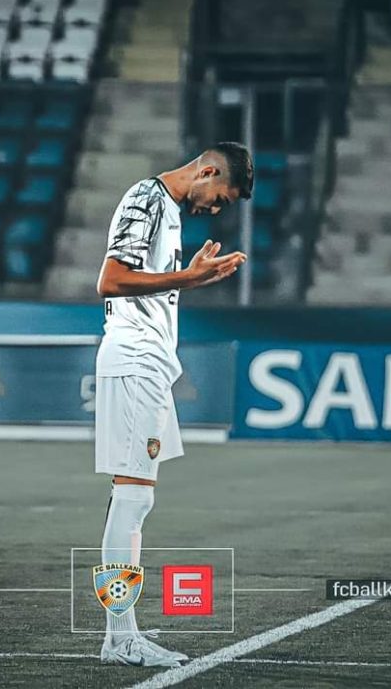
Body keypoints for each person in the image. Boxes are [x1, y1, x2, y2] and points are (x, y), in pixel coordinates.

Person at [94, 142, 254, 667]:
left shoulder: (166, 210)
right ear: (207, 171)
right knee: (132, 498)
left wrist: (189, 277)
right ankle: (121, 638)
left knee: (134, 498)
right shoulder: (147, 197)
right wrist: (189, 277)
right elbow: (110, 281)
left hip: (150, 363)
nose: (216, 209)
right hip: (134, 358)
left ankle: (120, 636)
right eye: (221, 198)